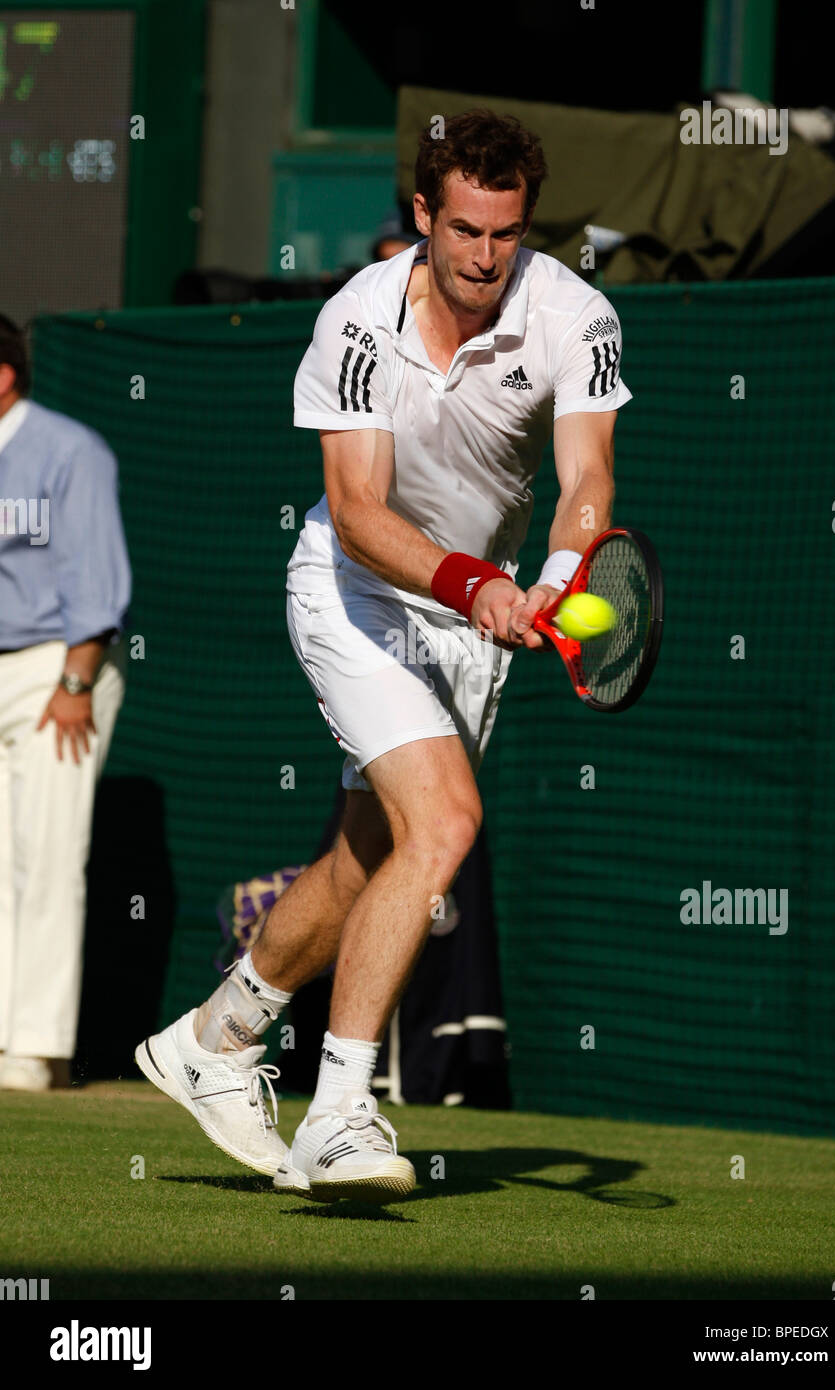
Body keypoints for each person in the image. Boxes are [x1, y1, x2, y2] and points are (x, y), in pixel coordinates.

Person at [136, 108, 631, 1201]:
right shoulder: (355, 322)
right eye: (461, 230)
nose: (482, 257)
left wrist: (550, 580)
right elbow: (357, 512)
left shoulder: (574, 316)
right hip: (352, 593)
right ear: (421, 213)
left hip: (479, 617)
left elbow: (585, 477)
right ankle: (340, 1109)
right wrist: (472, 581)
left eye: (504, 235)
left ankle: (215, 1037)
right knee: (447, 821)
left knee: (372, 857)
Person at [0, 315, 130, 1091]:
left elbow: (96, 578)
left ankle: (34, 1051)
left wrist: (77, 681)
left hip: (56, 670)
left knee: (47, 862)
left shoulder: (69, 449)